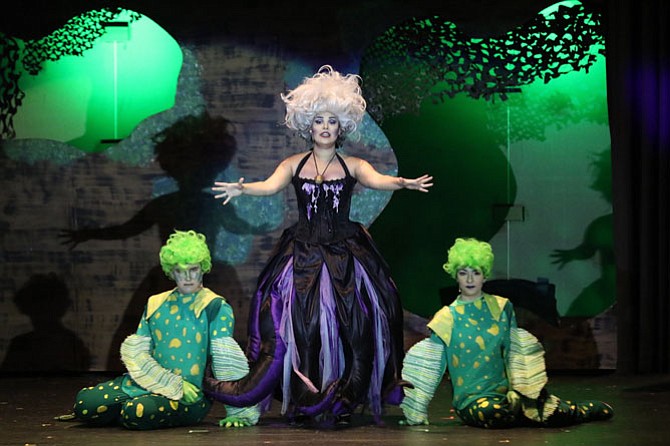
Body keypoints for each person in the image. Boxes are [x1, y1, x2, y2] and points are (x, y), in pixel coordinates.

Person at [204, 65, 433, 426]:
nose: (325, 127)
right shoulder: (293, 164)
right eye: (319, 121)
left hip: (346, 253)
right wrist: (242, 188)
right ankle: (305, 395)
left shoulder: (354, 164)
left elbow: (376, 179)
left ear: (341, 126)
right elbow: (269, 185)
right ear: (308, 125)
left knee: (355, 323)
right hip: (303, 253)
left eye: (331, 121)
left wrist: (402, 182)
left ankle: (343, 397)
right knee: (302, 325)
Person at [399, 237, 614, 428]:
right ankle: (530, 415)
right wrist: (416, 410)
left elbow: (515, 352)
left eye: (476, 272)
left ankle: (579, 411)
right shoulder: (446, 318)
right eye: (463, 273)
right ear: (456, 276)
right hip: (474, 402)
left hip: (511, 394)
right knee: (492, 412)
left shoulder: (501, 307)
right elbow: (428, 367)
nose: (470, 279)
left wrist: (519, 390)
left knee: (547, 408)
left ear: (485, 275)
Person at [67, 230, 259, 430]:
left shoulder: (214, 306)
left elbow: (225, 360)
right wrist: (166, 382)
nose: (187, 277)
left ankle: (126, 412)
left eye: (192, 269)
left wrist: (240, 412)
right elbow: (138, 353)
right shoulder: (156, 303)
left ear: (202, 268)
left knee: (137, 412)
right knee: (85, 404)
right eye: (179, 270)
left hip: (189, 395)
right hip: (148, 382)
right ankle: (124, 410)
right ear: (171, 271)